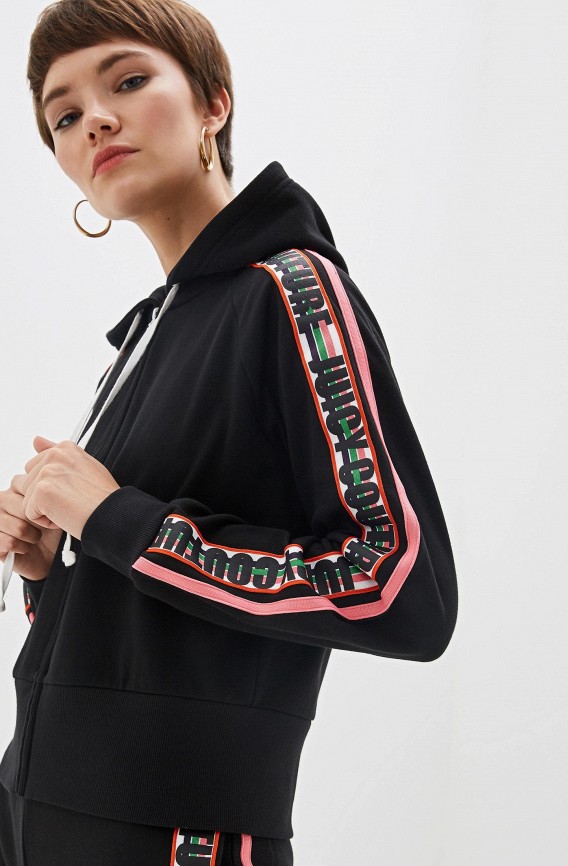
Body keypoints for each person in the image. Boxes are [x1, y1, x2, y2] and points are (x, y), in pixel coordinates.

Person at [0, 0, 459, 863]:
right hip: (34, 808)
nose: (94, 119)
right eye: (63, 116)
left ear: (214, 102)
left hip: (179, 832)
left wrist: (117, 519)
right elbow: (155, 614)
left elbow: (400, 587)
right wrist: (50, 562)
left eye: (128, 81)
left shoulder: (293, 292)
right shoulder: (145, 337)